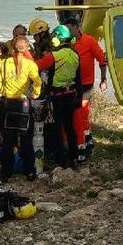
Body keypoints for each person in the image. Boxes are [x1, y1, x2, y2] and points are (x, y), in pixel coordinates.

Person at [0, 35, 42, 181]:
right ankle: (29, 171)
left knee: (8, 140)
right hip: (24, 104)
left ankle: (6, 173)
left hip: (8, 104)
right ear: (26, 49)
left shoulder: (4, 63)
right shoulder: (31, 65)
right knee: (26, 140)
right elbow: (37, 82)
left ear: (12, 47)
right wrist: (35, 95)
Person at [36, 25, 81, 169]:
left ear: (56, 39)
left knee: (56, 128)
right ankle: (74, 157)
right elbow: (78, 77)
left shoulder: (53, 56)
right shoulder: (75, 54)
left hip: (57, 96)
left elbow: (37, 67)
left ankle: (60, 160)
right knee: (69, 127)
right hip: (71, 95)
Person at [65, 19, 107, 160]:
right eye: (66, 30)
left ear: (77, 27)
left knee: (83, 113)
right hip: (71, 85)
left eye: (70, 29)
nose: (68, 33)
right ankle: (83, 141)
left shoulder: (89, 41)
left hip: (86, 84)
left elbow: (102, 60)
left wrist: (103, 79)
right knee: (74, 115)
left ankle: (87, 142)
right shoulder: (67, 44)